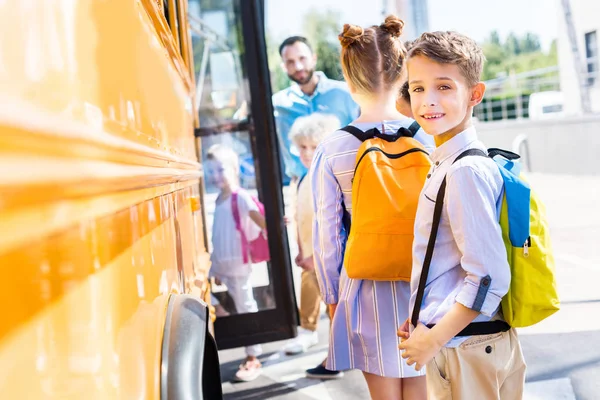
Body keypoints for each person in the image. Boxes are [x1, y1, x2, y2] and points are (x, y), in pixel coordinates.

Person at [398, 31, 526, 399]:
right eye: (418, 88)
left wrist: (434, 337)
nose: (428, 101)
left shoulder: (463, 171)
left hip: (467, 348)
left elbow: (488, 275)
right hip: (467, 343)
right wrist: (427, 309)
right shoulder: (449, 162)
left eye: (444, 87)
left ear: (474, 94)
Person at [310, 16, 433, 400]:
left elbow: (327, 233)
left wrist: (332, 296)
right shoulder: (430, 139)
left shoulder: (332, 149)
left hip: (364, 288)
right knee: (421, 386)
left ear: (348, 81)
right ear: (402, 75)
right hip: (426, 283)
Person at [280, 113, 344, 380]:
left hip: (324, 258)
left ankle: (335, 359)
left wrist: (315, 257)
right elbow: (302, 217)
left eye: (313, 147)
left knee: (336, 309)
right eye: (301, 147)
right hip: (310, 257)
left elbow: (328, 222)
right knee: (332, 309)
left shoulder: (325, 177)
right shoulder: (306, 177)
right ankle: (338, 354)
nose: (306, 153)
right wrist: (300, 250)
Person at [205, 144, 267, 382]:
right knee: (200, 288)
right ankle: (219, 309)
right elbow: (219, 235)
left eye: (221, 170)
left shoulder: (239, 197)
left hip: (238, 264)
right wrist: (217, 267)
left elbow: (259, 221)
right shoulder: (220, 199)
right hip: (222, 263)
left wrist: (271, 225)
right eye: (212, 171)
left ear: (233, 169)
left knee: (245, 307)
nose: (216, 176)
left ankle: (253, 357)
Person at [273, 36, 360, 181]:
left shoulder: (345, 93)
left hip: (346, 181)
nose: (298, 67)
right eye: (290, 62)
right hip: (303, 183)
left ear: (313, 58)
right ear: (283, 66)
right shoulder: (277, 103)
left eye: (302, 58)